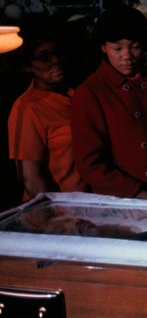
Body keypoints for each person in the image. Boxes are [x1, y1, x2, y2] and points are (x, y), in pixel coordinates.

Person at [71, 5, 147, 199]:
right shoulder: (90, 92)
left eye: (135, 46)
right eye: (117, 48)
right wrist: (137, 193)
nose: (127, 56)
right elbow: (90, 165)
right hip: (124, 198)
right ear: (103, 47)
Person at [7, 15, 88, 200]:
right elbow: (30, 178)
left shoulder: (78, 93)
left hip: (92, 206)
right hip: (58, 215)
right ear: (26, 65)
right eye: (44, 57)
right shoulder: (28, 109)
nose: (55, 60)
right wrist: (58, 219)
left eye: (58, 52)